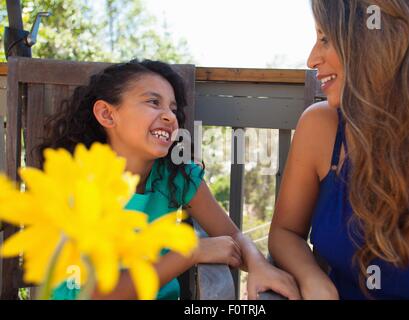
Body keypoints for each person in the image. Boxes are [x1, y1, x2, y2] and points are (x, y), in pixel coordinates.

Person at [37, 59, 300, 300]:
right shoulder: (77, 184)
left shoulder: (175, 177)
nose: (170, 116)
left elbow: (231, 235)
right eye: (153, 102)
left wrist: (259, 265)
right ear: (107, 114)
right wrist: (190, 253)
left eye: (173, 109)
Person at [269, 0, 409, 300]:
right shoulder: (321, 126)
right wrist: (312, 277)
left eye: (325, 38)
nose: (311, 59)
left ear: (384, 37)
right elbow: (285, 232)